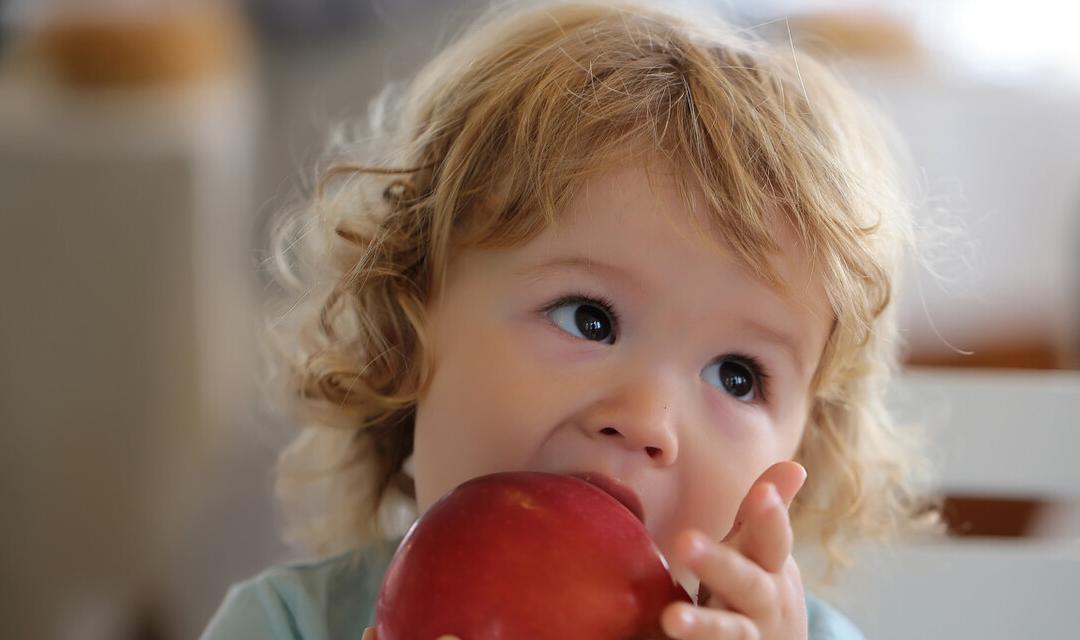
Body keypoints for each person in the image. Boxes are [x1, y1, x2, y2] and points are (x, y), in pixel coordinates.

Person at [203, 1, 943, 638]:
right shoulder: (284, 624)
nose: (647, 420)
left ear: (802, 459)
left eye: (737, 375)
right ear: (409, 324)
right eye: (589, 318)